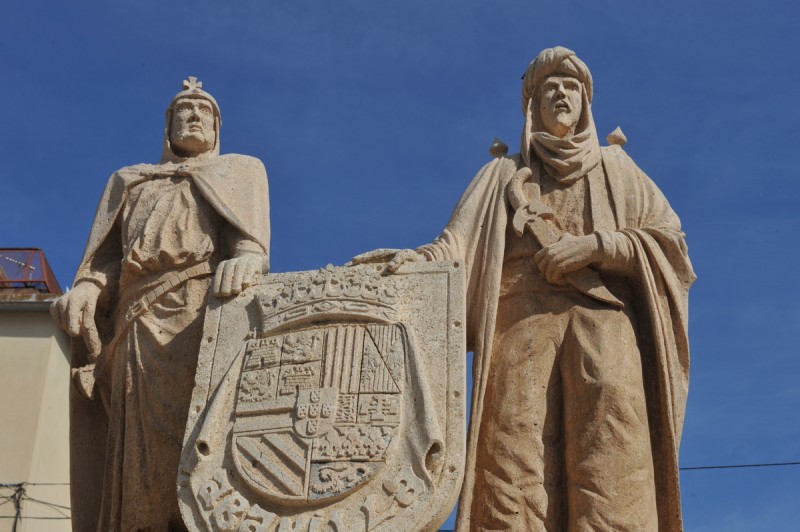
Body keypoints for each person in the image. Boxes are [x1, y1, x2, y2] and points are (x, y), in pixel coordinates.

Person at [381, 47, 695, 531]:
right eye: (549, 88)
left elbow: (668, 243)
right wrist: (414, 263)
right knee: (510, 459)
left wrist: (596, 245)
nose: (561, 94)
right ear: (532, 106)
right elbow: (454, 246)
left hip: (605, 323)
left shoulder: (619, 169)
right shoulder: (500, 174)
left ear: (587, 101)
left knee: (613, 456)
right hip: (518, 324)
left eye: (570, 87)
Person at [51, 77, 270, 531]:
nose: (193, 116)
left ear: (217, 127)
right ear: (167, 126)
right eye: (183, 111)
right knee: (139, 447)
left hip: (201, 309)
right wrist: (90, 287)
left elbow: (248, 242)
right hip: (137, 322)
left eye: (203, 111)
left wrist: (249, 257)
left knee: (200, 428)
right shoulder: (131, 183)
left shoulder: (239, 171)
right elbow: (109, 260)